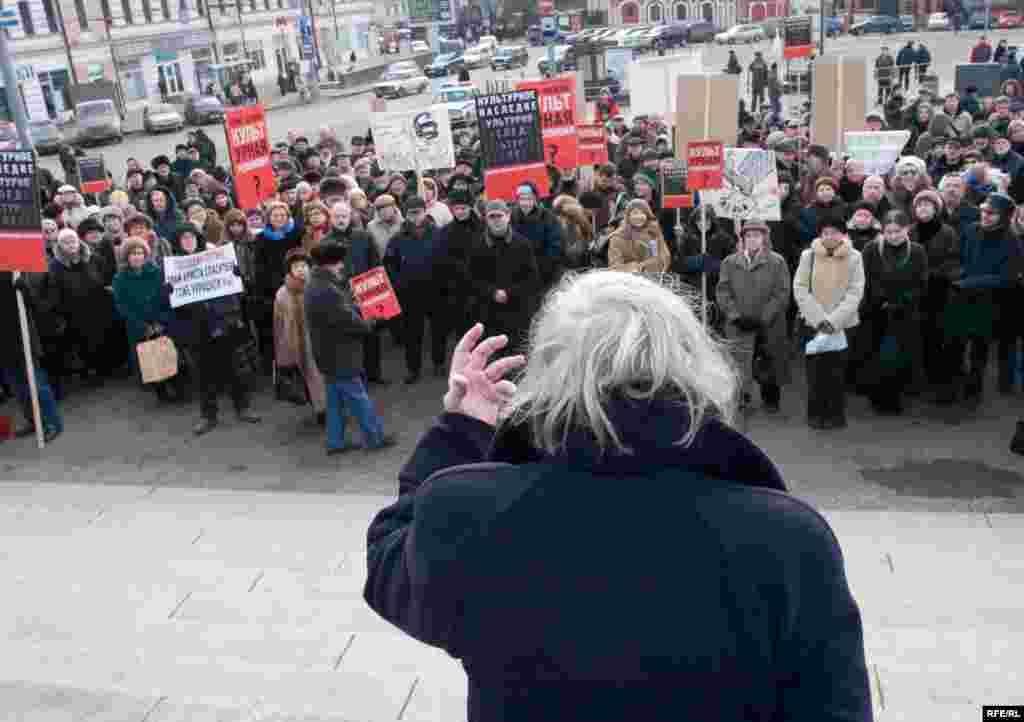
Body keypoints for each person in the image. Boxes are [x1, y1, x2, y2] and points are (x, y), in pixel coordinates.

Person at [364, 273, 872, 722]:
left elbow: (390, 561)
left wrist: (460, 430)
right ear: (697, 365)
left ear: (549, 373)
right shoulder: (789, 539)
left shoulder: (466, 512)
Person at [166, 224, 260, 436]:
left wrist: (236, 276)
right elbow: (171, 305)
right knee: (203, 374)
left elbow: (237, 290)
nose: (188, 241)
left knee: (233, 368)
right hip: (195, 327)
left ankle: (242, 407)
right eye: (183, 238)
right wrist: (169, 292)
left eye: (191, 237)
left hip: (221, 323)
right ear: (178, 243)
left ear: (197, 239)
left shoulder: (214, 258)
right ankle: (208, 415)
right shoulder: (173, 267)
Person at [304, 242, 396, 455]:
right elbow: (348, 320)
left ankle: (335, 442)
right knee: (358, 398)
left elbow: (342, 310)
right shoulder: (327, 289)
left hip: (327, 354)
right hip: (340, 354)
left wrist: (357, 306)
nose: (342, 266)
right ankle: (375, 438)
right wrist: (371, 320)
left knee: (335, 401)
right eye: (339, 263)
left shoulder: (318, 284)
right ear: (331, 264)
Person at [793, 216, 866, 430]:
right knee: (815, 372)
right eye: (825, 232)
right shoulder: (809, 256)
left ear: (843, 235)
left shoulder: (855, 257)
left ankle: (835, 415)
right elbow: (800, 288)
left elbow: (855, 291)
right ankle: (815, 415)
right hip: (813, 323)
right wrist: (819, 319)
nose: (830, 236)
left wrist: (834, 321)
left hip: (843, 325)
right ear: (819, 235)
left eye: (834, 232)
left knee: (836, 372)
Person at [716, 219, 791, 414]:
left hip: (769, 322)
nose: (752, 239)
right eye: (748, 236)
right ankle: (742, 396)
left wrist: (764, 317)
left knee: (770, 360)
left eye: (757, 235)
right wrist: (735, 315)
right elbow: (723, 292)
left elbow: (781, 293)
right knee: (739, 361)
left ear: (765, 238)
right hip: (739, 323)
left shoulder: (777, 261)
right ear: (742, 239)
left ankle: (771, 398)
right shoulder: (730, 262)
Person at [857, 211, 928, 414]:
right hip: (875, 310)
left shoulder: (916, 251)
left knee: (898, 356)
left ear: (906, 230)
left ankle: (896, 398)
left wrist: (902, 299)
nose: (893, 236)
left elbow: (921, 282)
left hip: (904, 311)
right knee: (875, 355)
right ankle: (876, 397)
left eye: (898, 231)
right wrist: (878, 298)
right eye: (889, 232)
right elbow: (863, 278)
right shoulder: (871, 249)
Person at [0, 272, 63, 442]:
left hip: (22, 339)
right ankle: (34, 421)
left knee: (36, 384)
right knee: (18, 388)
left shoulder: (13, 273)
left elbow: (36, 304)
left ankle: (53, 423)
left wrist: (24, 289)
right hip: (3, 345)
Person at [273, 248, 326, 421]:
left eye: (304, 265)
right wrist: (282, 354)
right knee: (311, 377)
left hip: (321, 338)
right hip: (298, 343)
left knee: (326, 376)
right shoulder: (282, 294)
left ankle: (330, 407)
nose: (301, 269)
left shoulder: (320, 285)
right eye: (296, 266)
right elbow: (279, 324)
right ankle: (321, 410)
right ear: (290, 270)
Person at [606, 199, 670, 274]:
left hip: (652, 279)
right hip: (626, 280)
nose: (639, 217)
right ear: (628, 216)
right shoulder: (617, 237)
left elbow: (663, 258)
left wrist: (646, 265)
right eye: (635, 213)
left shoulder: (653, 232)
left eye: (643, 213)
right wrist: (636, 267)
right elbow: (615, 266)